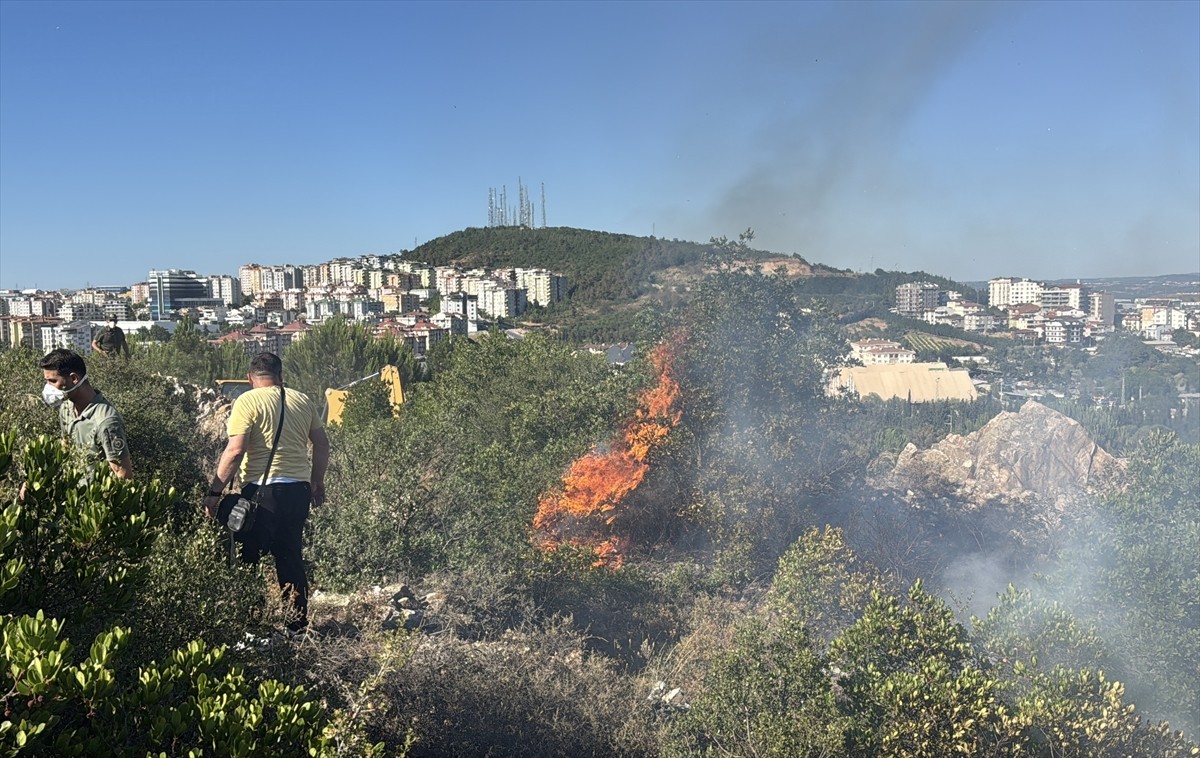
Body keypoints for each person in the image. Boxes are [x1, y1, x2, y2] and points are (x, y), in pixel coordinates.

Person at [203, 352, 329, 633]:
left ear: (250, 378)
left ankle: (252, 629)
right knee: (290, 558)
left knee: (249, 558)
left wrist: (214, 493)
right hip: (298, 491)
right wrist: (317, 482)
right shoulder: (302, 399)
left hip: (262, 492)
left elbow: (235, 451)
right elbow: (321, 444)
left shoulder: (247, 401)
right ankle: (296, 628)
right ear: (281, 376)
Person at [39, 348, 133, 479]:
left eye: (53, 381)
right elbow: (65, 449)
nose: (48, 387)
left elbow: (122, 473)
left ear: (74, 378)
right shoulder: (66, 407)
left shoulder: (106, 421)